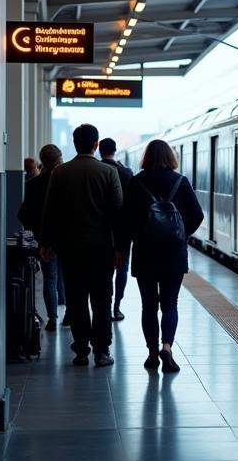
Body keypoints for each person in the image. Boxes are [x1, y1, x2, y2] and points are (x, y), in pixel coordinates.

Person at [41, 124, 123, 367]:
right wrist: (120, 248)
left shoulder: (60, 173)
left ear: (75, 144)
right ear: (96, 144)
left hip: (71, 247)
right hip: (101, 248)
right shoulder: (108, 172)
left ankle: (81, 350)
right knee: (101, 299)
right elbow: (117, 212)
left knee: (76, 299)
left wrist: (46, 242)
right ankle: (101, 351)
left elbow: (50, 211)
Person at [120, 139, 203, 373]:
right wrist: (181, 235)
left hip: (145, 254)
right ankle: (167, 347)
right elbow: (197, 215)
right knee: (170, 304)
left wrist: (132, 240)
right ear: (170, 157)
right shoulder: (181, 181)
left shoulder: (136, 182)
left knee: (148, 306)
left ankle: (152, 354)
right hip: (173, 254)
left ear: (146, 158)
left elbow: (125, 219)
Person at [17, 143, 68, 332]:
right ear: (59, 157)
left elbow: (23, 214)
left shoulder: (33, 184)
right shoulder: (66, 179)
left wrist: (36, 232)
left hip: (45, 238)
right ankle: (69, 314)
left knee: (50, 278)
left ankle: (52, 318)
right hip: (67, 236)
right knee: (69, 277)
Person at [99, 137, 134, 321]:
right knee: (122, 269)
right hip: (123, 231)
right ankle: (116, 308)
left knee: (104, 271)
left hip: (100, 231)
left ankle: (103, 306)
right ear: (115, 150)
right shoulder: (127, 173)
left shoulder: (97, 171)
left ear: (99, 150)